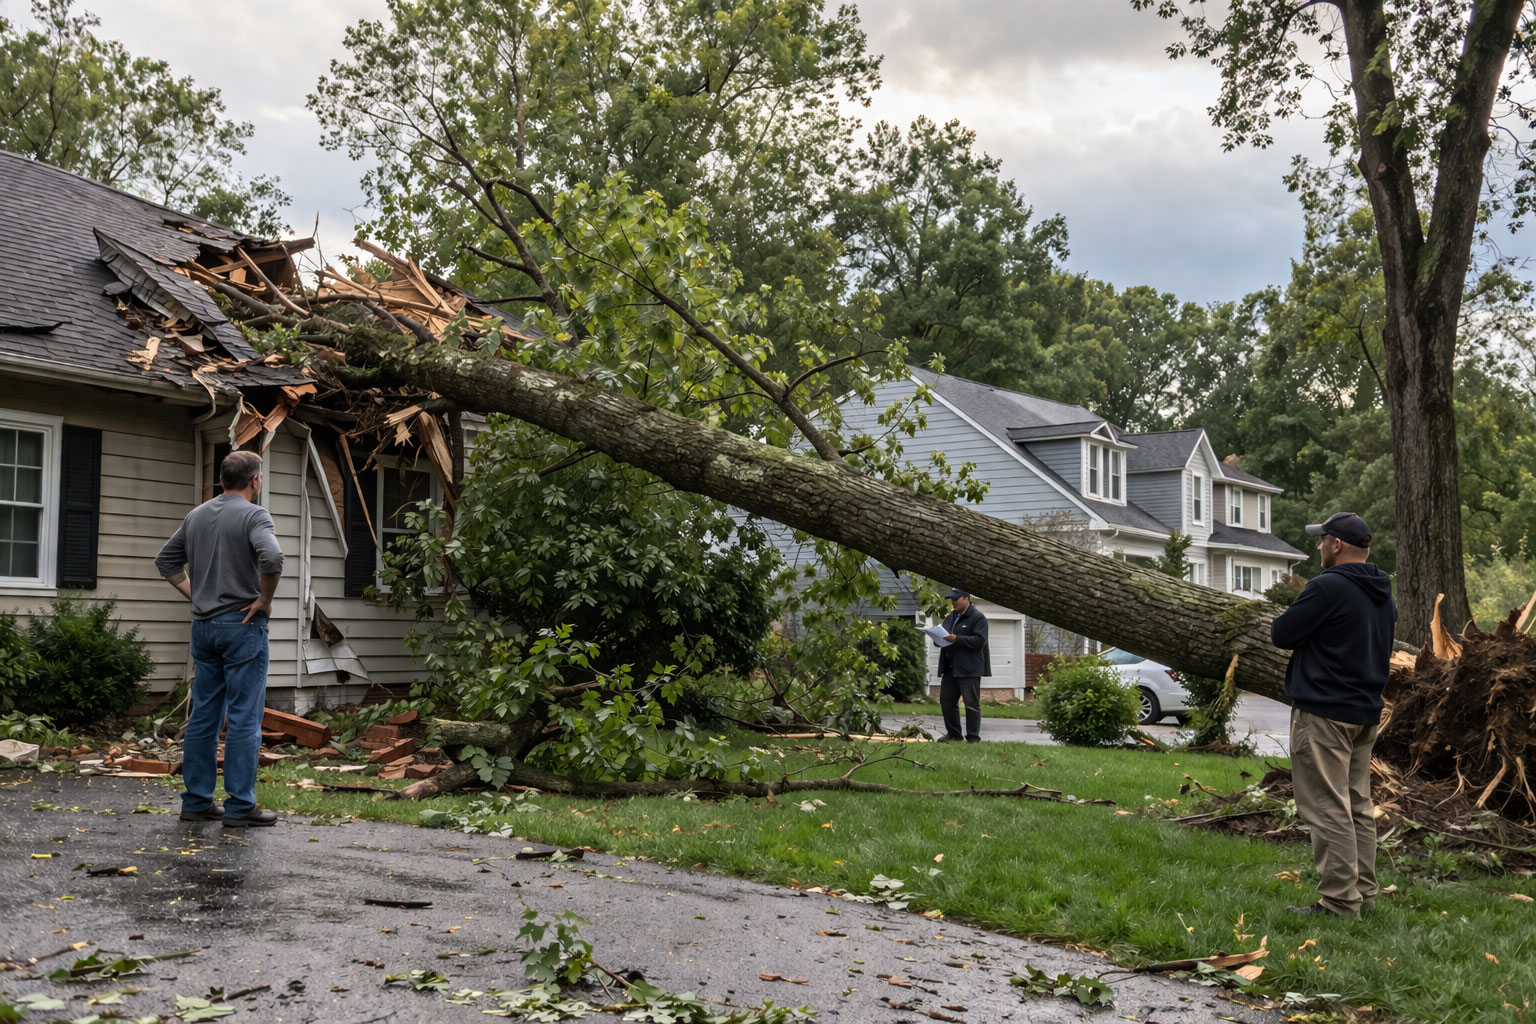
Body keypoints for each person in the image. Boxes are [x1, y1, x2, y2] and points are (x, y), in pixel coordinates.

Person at [1270, 511, 1396, 918]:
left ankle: (1340, 902)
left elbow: (1281, 633)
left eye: (1322, 540)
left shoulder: (1327, 587)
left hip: (1324, 713)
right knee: (1357, 805)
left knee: (1327, 807)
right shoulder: (1381, 589)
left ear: (1336, 544)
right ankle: (1364, 894)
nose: (1319, 546)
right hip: (1365, 713)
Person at [156, 450, 285, 828]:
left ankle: (196, 802)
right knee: (244, 717)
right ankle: (241, 807)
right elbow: (273, 558)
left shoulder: (196, 515)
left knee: (203, 715)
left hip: (203, 627)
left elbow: (166, 561)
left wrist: (197, 596)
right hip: (242, 626)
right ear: (254, 480)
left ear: (222, 479)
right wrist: (265, 599)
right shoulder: (254, 514)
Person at [934, 588, 991, 742]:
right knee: (947, 702)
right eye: (951, 599)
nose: (953, 602)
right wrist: (937, 639)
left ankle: (973, 737)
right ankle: (953, 734)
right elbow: (944, 634)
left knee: (971, 704)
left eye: (956, 599)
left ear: (966, 598)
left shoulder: (977, 617)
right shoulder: (951, 617)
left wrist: (957, 639)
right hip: (950, 668)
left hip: (969, 669)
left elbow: (980, 641)